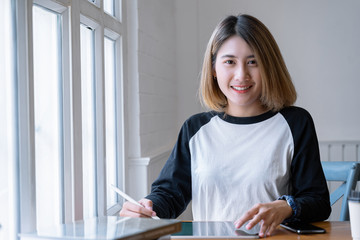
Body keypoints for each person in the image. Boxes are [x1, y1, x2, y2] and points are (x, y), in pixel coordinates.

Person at [120, 14, 331, 237]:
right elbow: (169, 194)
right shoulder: (195, 129)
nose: (242, 75)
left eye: (253, 62)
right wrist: (146, 207)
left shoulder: (296, 123)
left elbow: (318, 202)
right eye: (230, 62)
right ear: (213, 69)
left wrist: (286, 207)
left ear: (269, 67)